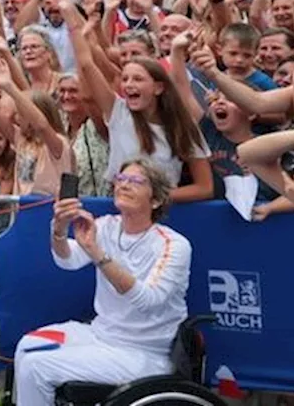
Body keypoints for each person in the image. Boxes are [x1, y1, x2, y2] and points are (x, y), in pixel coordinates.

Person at [13, 159, 190, 406]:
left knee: (35, 367)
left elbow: (148, 301)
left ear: (156, 200)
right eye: (121, 179)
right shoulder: (105, 225)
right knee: (27, 346)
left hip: (143, 353)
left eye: (136, 181)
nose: (125, 185)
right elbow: (68, 260)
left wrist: (97, 253)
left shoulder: (173, 245)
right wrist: (60, 230)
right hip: (100, 333)